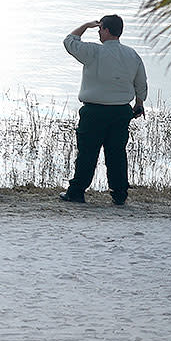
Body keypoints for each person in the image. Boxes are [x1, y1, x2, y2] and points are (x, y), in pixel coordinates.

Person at [61, 15, 148, 206]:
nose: (99, 32)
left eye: (100, 28)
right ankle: (119, 194)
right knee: (117, 154)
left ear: (107, 30)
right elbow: (141, 83)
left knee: (87, 153)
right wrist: (139, 103)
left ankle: (76, 192)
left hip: (94, 112)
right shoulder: (132, 54)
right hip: (120, 112)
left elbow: (69, 41)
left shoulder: (93, 52)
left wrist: (85, 25)